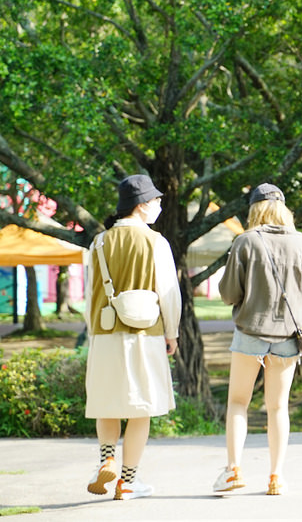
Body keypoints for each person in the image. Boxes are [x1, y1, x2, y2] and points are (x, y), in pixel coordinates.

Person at [214, 183, 302, 496]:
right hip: (288, 336)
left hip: (250, 332)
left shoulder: (246, 241)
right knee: (278, 407)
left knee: (238, 402)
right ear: (283, 209)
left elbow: (228, 294)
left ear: (254, 209)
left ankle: (234, 469)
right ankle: (276, 476)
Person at [85, 174, 181, 501]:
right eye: (155, 201)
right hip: (144, 334)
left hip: (104, 332)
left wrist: (94, 331)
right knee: (141, 409)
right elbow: (169, 294)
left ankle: (106, 459)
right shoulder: (156, 242)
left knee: (107, 403)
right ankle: (127, 482)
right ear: (141, 206)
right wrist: (173, 332)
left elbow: (88, 296)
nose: (159, 205)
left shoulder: (98, 242)